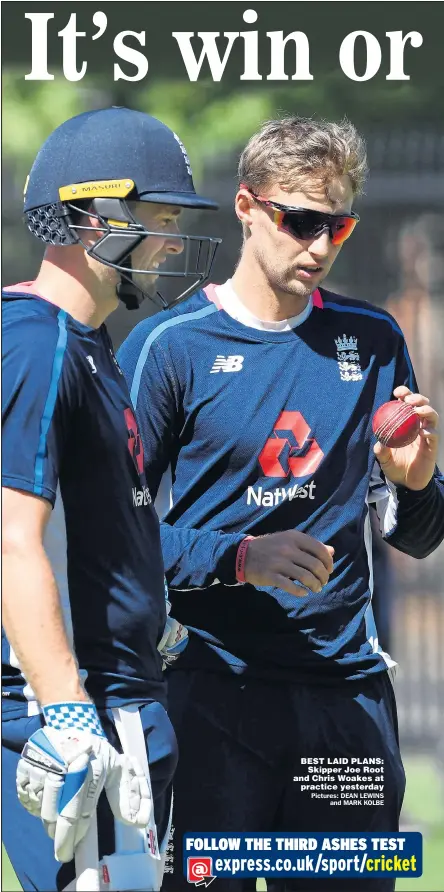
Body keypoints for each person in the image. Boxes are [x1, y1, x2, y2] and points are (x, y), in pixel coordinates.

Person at [118, 116, 444, 892]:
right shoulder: (169, 348)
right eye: (300, 221)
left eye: (338, 225)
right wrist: (239, 557)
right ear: (246, 207)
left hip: (346, 705)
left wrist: (416, 482)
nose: (320, 245)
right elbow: (114, 534)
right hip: (212, 698)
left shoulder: (372, 340)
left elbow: (420, 538)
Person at [1, 106, 220, 892]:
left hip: (128, 702)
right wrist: (64, 710)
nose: (170, 240)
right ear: (96, 217)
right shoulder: (35, 341)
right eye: (158, 217)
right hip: (85, 716)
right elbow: (11, 540)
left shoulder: (92, 345)